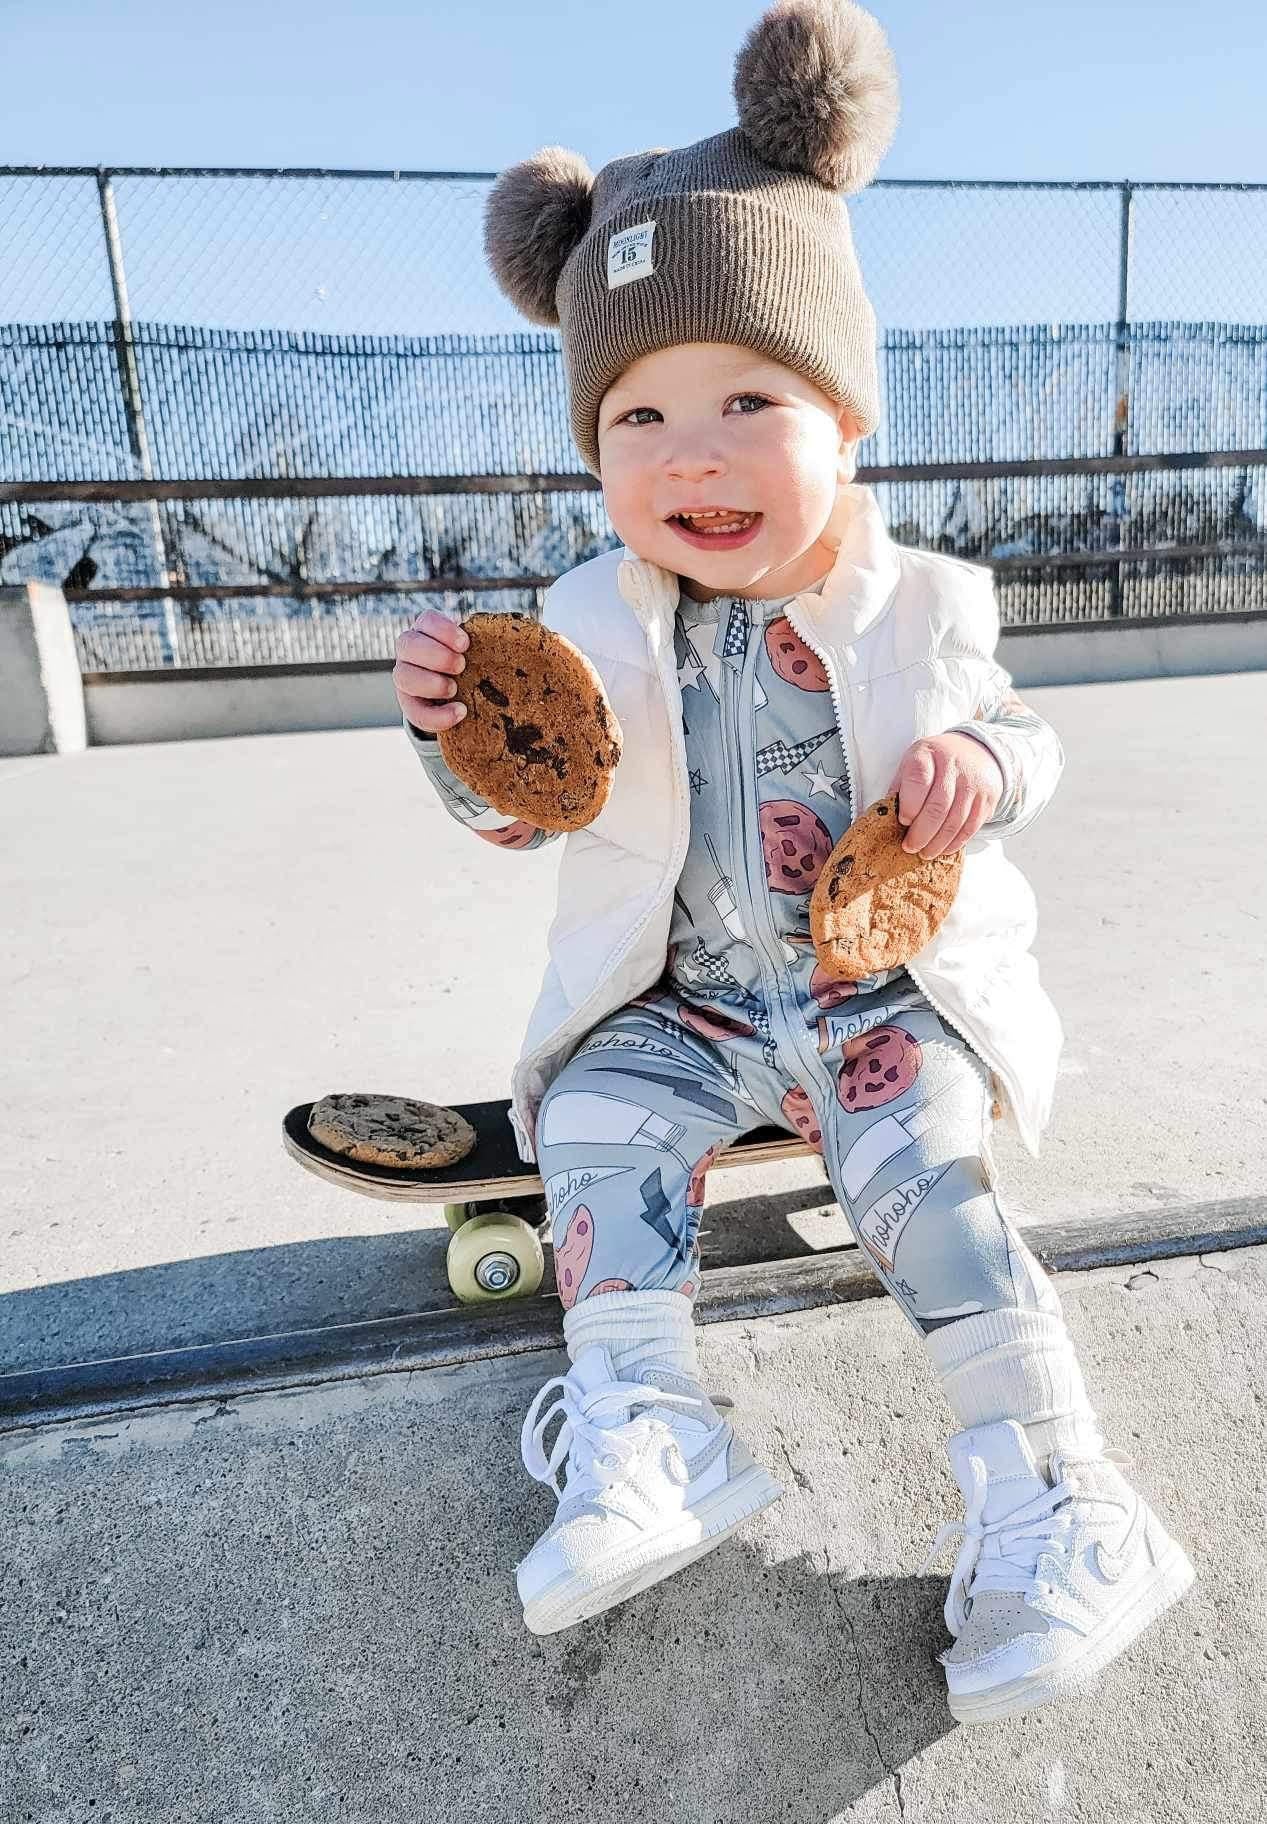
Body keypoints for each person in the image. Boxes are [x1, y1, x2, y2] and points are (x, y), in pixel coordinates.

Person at [392, 0, 1193, 1723]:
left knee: (930, 1198)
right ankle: (651, 1432)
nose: (691, 454)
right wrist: (456, 737)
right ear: (597, 453)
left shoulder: (918, 602)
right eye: (638, 421)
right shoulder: (586, 625)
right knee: (592, 1126)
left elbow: (1025, 735)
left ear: (848, 417)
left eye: (748, 397)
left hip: (873, 996)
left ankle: (1064, 1500)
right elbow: (522, 807)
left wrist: (979, 760)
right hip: (682, 1007)